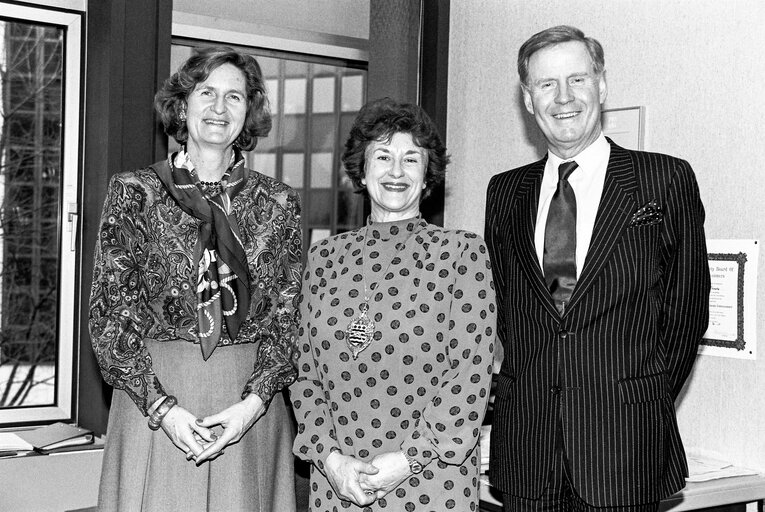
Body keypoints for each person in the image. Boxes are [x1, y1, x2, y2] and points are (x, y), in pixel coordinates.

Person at [485, 25, 710, 511]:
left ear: (601, 86)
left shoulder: (663, 180)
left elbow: (686, 313)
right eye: (546, 85)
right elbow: (507, 312)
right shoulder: (503, 192)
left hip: (624, 450)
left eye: (577, 80)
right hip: (528, 453)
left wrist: (635, 398)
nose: (563, 98)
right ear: (528, 99)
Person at [88, 46, 302, 511]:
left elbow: (288, 320)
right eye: (207, 93)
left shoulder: (279, 203)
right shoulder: (135, 194)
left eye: (235, 97)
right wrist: (163, 410)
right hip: (154, 399)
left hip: (249, 407)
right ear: (183, 106)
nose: (219, 109)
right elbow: (109, 318)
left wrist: (253, 404)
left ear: (250, 112)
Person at [290, 97, 496, 511]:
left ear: (427, 177)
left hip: (432, 478)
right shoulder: (324, 258)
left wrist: (407, 460)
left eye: (411, 159)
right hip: (340, 484)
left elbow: (470, 374)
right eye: (382, 157)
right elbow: (302, 370)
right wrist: (331, 461)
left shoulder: (461, 253)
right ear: (362, 173)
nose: (397, 171)